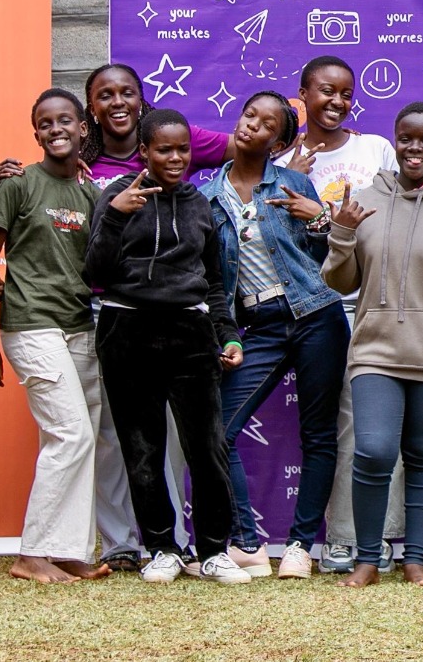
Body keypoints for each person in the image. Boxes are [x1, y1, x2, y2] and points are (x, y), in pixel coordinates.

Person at [0, 63, 234, 573]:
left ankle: (179, 545)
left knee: (175, 439)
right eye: (105, 94)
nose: (117, 101)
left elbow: (243, 145)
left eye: (127, 91)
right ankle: (123, 542)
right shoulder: (86, 174)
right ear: (91, 110)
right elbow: (65, 252)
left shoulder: (180, 182)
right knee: (112, 439)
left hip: (163, 321)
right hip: (109, 314)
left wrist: (292, 145)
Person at [85, 109, 251, 584]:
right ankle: (161, 547)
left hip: (190, 333)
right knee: (142, 449)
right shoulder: (116, 196)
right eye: (164, 149)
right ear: (144, 151)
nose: (175, 158)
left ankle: (214, 551)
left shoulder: (202, 204)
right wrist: (117, 218)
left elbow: (215, 282)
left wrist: (229, 334)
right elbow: (94, 274)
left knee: (207, 446)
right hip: (126, 331)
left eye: (182, 149)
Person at [322, 102, 423, 587]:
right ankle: (369, 558)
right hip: (374, 351)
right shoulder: (364, 199)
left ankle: (414, 559)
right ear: (395, 140)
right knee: (372, 450)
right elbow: (339, 280)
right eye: (407, 138)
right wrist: (343, 232)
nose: (416, 148)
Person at [201, 91, 349, 579]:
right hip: (258, 324)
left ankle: (302, 547)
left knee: (318, 434)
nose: (251, 127)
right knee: (217, 431)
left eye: (266, 124)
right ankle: (247, 542)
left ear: (279, 141)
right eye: (248, 116)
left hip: (316, 315)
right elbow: (209, 277)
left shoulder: (293, 184)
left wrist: (322, 217)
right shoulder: (206, 196)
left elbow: (329, 253)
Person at [275, 55, 403, 574]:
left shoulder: (375, 150)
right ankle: (334, 540)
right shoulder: (283, 160)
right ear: (302, 94)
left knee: (372, 423)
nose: (337, 101)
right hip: (311, 309)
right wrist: (287, 180)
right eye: (326, 91)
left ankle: (376, 537)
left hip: (371, 301)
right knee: (326, 429)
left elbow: (392, 220)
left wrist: (321, 214)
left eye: (346, 93)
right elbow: (267, 240)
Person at [0, 88, 110, 583]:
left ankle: (67, 549)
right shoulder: (17, 185)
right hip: (30, 322)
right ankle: (32, 552)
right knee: (69, 432)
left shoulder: (90, 194)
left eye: (64, 121)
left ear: (82, 128)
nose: (55, 130)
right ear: (36, 132)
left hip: (80, 325)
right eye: (45, 123)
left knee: (82, 436)